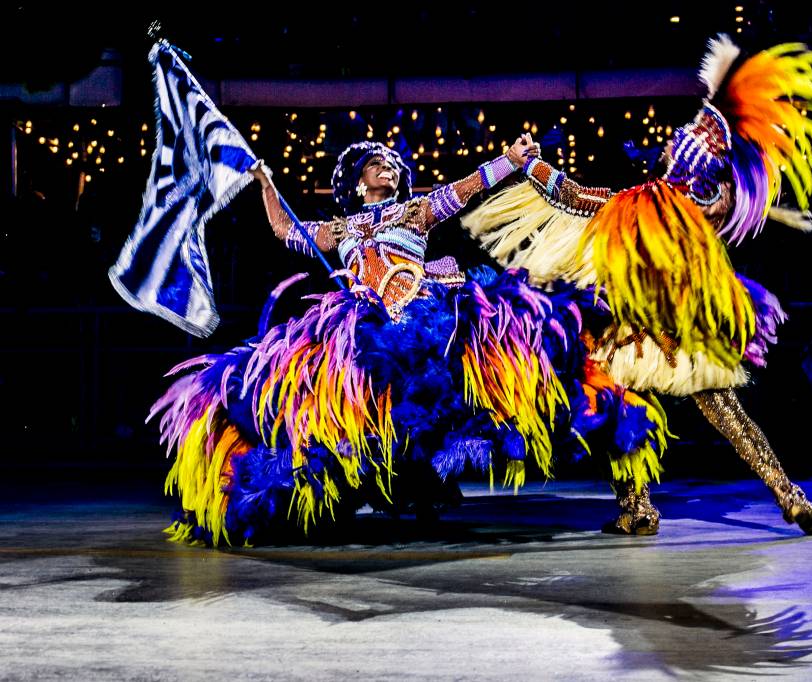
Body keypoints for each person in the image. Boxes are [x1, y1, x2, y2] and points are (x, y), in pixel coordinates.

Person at [149, 136, 669, 546]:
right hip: (361, 329)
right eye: (378, 163)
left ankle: (634, 497)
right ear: (357, 182)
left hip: (430, 318)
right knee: (309, 402)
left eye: (393, 163)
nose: (389, 167)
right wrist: (264, 181)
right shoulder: (337, 228)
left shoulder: (416, 211)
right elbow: (286, 230)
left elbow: (468, 187)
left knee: (539, 371)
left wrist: (511, 160)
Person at [462, 35, 812, 536]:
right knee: (722, 408)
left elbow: (574, 198)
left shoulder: (641, 202)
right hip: (681, 320)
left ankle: (638, 508)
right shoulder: (693, 205)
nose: (662, 142)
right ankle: (789, 495)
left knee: (619, 408)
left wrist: (529, 163)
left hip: (637, 331)